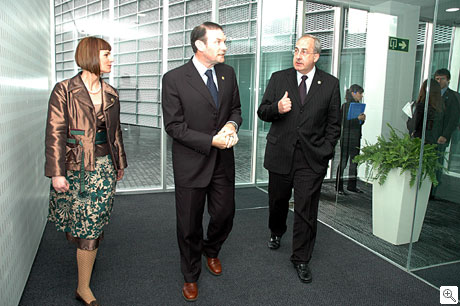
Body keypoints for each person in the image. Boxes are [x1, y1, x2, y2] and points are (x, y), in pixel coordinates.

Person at [161, 22, 242, 302]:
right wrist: (210, 141)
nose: (224, 47)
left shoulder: (228, 73)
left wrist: (231, 126)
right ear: (199, 45)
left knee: (225, 214)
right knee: (188, 225)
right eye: (219, 42)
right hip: (191, 163)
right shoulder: (173, 79)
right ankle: (190, 275)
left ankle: (212, 250)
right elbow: (174, 126)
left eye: (224, 41)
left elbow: (235, 109)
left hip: (222, 162)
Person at [45, 37, 127, 306]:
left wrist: (120, 164)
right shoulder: (64, 90)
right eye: (106, 55)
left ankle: (83, 285)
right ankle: (84, 287)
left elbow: (115, 134)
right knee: (85, 226)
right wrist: (56, 173)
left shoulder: (111, 93)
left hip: (104, 169)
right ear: (91, 56)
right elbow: (55, 133)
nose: (111, 59)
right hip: (75, 169)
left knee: (94, 224)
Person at [257, 34, 341, 284]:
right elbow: (263, 111)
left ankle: (301, 258)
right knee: (278, 201)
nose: (298, 55)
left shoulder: (330, 84)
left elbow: (333, 124)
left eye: (305, 51)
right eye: (296, 50)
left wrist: (325, 150)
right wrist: (277, 109)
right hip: (280, 154)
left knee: (306, 209)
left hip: (311, 159)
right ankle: (276, 230)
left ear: (316, 56)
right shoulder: (278, 78)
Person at [432, 69, 460, 198]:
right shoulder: (431, 94)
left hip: (441, 136)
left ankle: (433, 189)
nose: (439, 81)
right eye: (437, 79)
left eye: (442, 79)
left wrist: (445, 135)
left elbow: (453, 119)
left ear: (448, 80)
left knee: (437, 162)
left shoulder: (452, 97)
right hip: (430, 135)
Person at [335, 84, 366, 195]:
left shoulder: (358, 106)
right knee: (343, 162)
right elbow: (343, 122)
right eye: (360, 93)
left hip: (356, 137)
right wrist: (356, 119)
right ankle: (338, 187)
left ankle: (351, 186)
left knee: (354, 162)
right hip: (346, 137)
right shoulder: (345, 106)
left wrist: (362, 119)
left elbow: (359, 124)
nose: (361, 96)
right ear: (353, 93)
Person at [412, 79, 444, 144]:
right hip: (435, 139)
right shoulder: (441, 106)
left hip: (420, 139)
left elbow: (414, 124)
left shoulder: (422, 106)